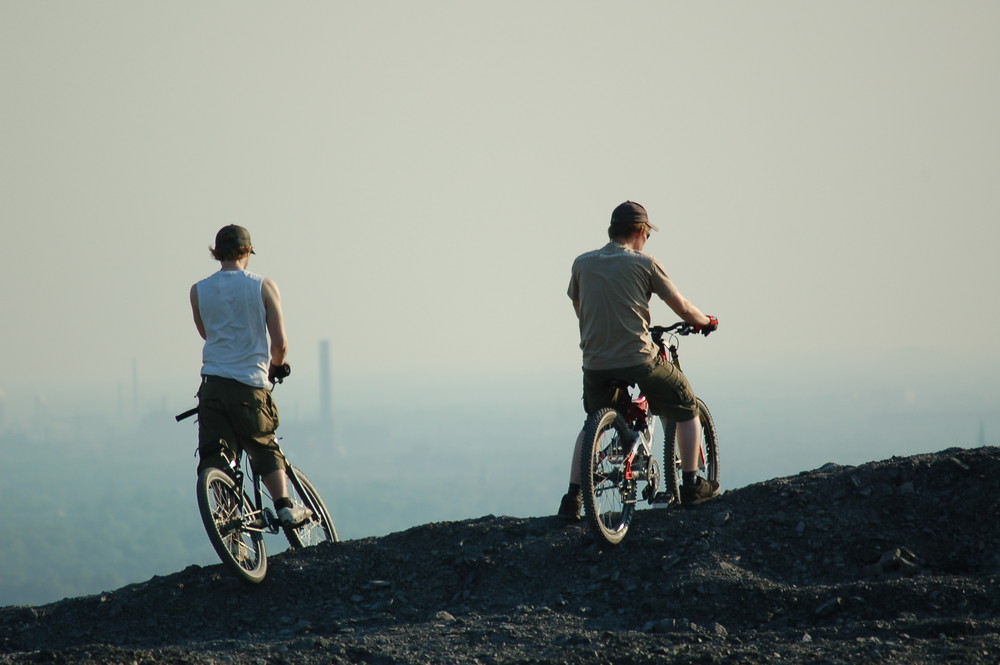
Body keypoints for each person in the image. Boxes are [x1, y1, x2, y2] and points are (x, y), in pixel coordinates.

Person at [559, 201, 720, 520]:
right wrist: (705, 322)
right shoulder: (645, 263)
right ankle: (691, 486)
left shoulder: (582, 264)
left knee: (593, 418)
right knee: (686, 405)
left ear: (611, 231)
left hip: (595, 362)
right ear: (641, 232)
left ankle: (573, 499)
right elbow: (682, 307)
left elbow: (580, 307)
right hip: (638, 357)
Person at [189, 225, 310, 527]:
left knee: (216, 455)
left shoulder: (198, 290)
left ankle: (230, 529)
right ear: (247, 252)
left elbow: (208, 334)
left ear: (216, 253)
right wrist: (276, 366)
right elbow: (279, 344)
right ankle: (283, 506)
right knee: (263, 444)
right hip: (250, 385)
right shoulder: (263, 286)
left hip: (212, 386)